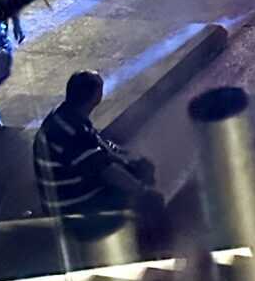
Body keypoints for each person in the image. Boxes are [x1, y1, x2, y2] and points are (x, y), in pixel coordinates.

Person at [34, 69, 165, 239]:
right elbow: (107, 170)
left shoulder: (64, 115)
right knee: (141, 197)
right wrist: (142, 191)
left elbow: (98, 145)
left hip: (64, 194)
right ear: (95, 97)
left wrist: (127, 162)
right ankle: (150, 241)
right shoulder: (73, 131)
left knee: (138, 171)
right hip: (72, 208)